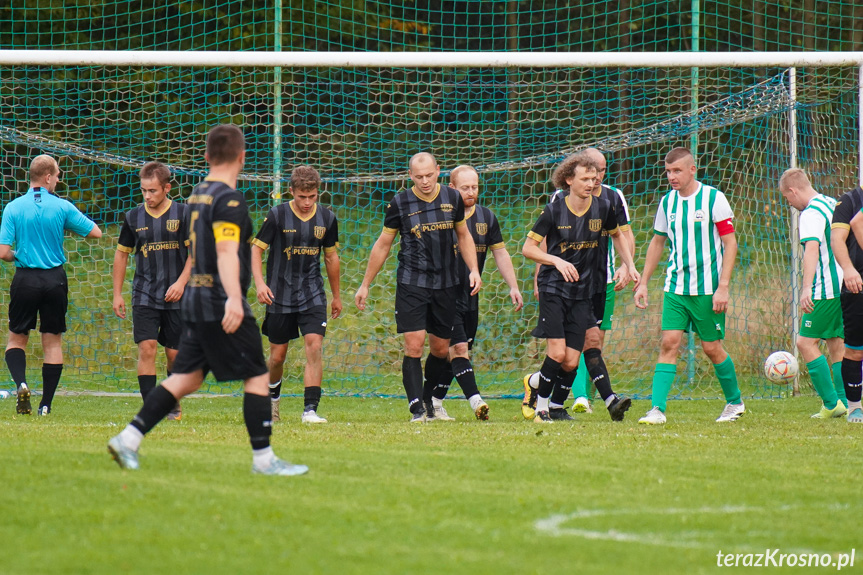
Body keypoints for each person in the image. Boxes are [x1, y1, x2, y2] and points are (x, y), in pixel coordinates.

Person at [108, 124, 308, 476]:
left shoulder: (199, 193)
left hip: (194, 298)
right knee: (258, 375)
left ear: (206, 156)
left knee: (186, 378)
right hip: (218, 299)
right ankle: (264, 460)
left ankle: (129, 437)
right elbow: (227, 251)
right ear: (242, 157)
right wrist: (234, 298)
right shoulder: (229, 199)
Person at [355, 152, 482, 422]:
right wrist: (365, 284)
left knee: (439, 349)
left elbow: (463, 235)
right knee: (414, 346)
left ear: (438, 171)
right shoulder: (400, 203)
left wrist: (473, 270)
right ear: (410, 175)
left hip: (447, 284)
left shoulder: (452, 198)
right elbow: (383, 244)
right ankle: (416, 410)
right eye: (418, 176)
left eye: (429, 175)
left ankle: (428, 400)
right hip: (412, 283)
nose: (425, 181)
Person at [522, 151, 637, 423]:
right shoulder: (554, 210)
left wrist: (629, 264)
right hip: (553, 288)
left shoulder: (602, 208)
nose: (591, 183)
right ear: (568, 180)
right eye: (585, 178)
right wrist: (555, 261)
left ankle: (550, 400)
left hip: (583, 290)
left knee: (572, 361)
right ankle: (542, 409)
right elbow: (528, 248)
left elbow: (618, 236)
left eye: (594, 178)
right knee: (558, 353)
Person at [634, 147, 743, 425]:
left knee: (711, 348)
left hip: (708, 289)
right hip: (676, 288)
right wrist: (643, 283)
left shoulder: (713, 199)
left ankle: (735, 402)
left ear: (692, 170)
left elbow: (730, 243)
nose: (672, 176)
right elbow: (657, 242)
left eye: (677, 170)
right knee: (669, 343)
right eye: (668, 171)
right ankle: (657, 409)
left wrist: (724, 287)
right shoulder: (667, 202)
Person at [0, 154, 102, 416]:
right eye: (57, 174)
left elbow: (3, 251)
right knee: (52, 343)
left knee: (16, 339)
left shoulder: (13, 207)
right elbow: (96, 232)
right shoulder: (62, 207)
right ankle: (46, 405)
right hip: (54, 280)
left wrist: (18, 255)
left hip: (25, 279)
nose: (58, 179)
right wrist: (62, 226)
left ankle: (22, 384)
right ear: (47, 177)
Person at [426, 165, 523, 421]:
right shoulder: (439, 217)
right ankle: (476, 401)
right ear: (451, 188)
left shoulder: (487, 218)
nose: (470, 192)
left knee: (456, 352)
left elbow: (500, 253)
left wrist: (513, 285)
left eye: (474, 187)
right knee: (458, 349)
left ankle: (433, 402)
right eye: (465, 187)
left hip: (470, 297)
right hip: (443, 295)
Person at [252, 165, 341, 424]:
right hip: (279, 294)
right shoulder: (277, 215)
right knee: (277, 356)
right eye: (301, 196)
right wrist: (259, 284)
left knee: (314, 346)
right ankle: (271, 402)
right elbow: (256, 250)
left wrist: (336, 296)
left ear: (318, 192)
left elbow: (331, 256)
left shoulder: (327, 218)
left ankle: (309, 411)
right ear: (291, 191)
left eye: (312, 196)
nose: (306, 202)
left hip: (312, 293)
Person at [112, 161, 191, 420]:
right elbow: (121, 255)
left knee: (174, 354)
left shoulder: (183, 213)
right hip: (145, 294)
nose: (147, 196)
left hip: (177, 296)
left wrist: (181, 283)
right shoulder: (133, 217)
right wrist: (117, 294)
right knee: (147, 348)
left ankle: (173, 403)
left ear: (167, 188)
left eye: (153, 191)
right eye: (143, 190)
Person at [778, 168, 846, 418]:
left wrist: (806, 287)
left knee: (805, 343)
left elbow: (812, 249)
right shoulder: (831, 203)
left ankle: (830, 404)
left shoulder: (810, 213)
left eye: (788, 198)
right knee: (836, 345)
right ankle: (845, 402)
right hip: (845, 285)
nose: (790, 203)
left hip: (825, 289)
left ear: (793, 191)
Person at [832, 182, 863, 423]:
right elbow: (837, 239)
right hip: (857, 285)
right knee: (854, 349)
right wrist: (849, 269)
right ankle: (854, 407)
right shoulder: (848, 201)